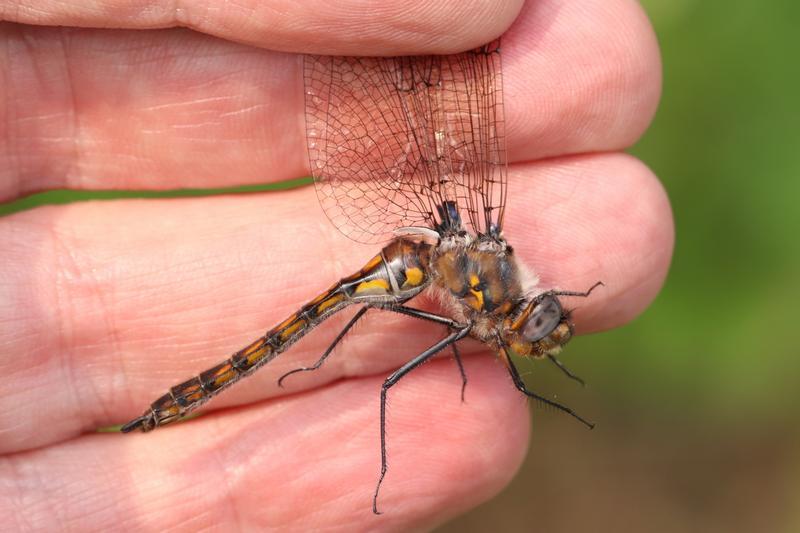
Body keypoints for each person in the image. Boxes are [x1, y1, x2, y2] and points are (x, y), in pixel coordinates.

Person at [0, 0, 671, 529]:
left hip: (419, 260)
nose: (536, 323)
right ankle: (188, 400)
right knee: (357, 352)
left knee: (367, 325)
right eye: (537, 319)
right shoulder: (485, 294)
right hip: (409, 264)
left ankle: (258, 380)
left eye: (539, 319)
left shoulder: (487, 265)